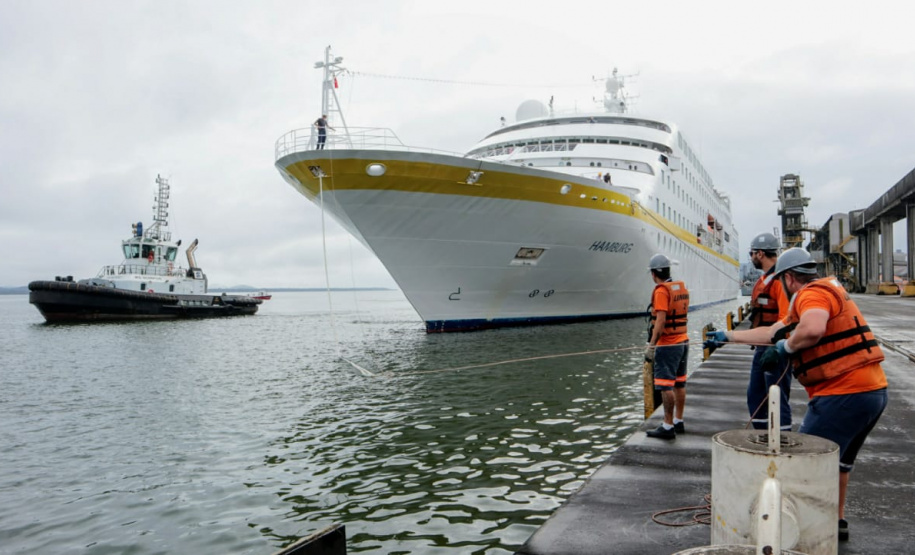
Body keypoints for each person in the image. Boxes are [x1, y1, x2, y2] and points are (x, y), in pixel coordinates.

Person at [707, 248, 887, 541]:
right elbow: (772, 332)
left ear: (789, 278)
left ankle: (793, 536)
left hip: (842, 394)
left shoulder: (810, 295)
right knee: (839, 462)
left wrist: (786, 348)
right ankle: (835, 521)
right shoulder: (819, 294)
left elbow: (813, 328)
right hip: (872, 392)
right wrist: (728, 337)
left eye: (780, 282)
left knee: (799, 465)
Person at [745, 232, 792, 430]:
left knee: (776, 398)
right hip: (762, 346)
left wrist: (780, 346)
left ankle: (782, 439)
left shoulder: (779, 282)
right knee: (756, 396)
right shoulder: (765, 280)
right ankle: (763, 437)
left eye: (752, 253)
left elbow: (787, 318)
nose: (751, 257)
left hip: (774, 349)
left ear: (761, 254)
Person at [645, 253, 690, 440]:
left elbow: (660, 320)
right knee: (679, 382)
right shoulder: (679, 288)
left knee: (665, 385)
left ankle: (667, 425)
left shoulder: (661, 291)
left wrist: (652, 345)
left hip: (668, 344)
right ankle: (678, 420)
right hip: (683, 341)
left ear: (654, 273)